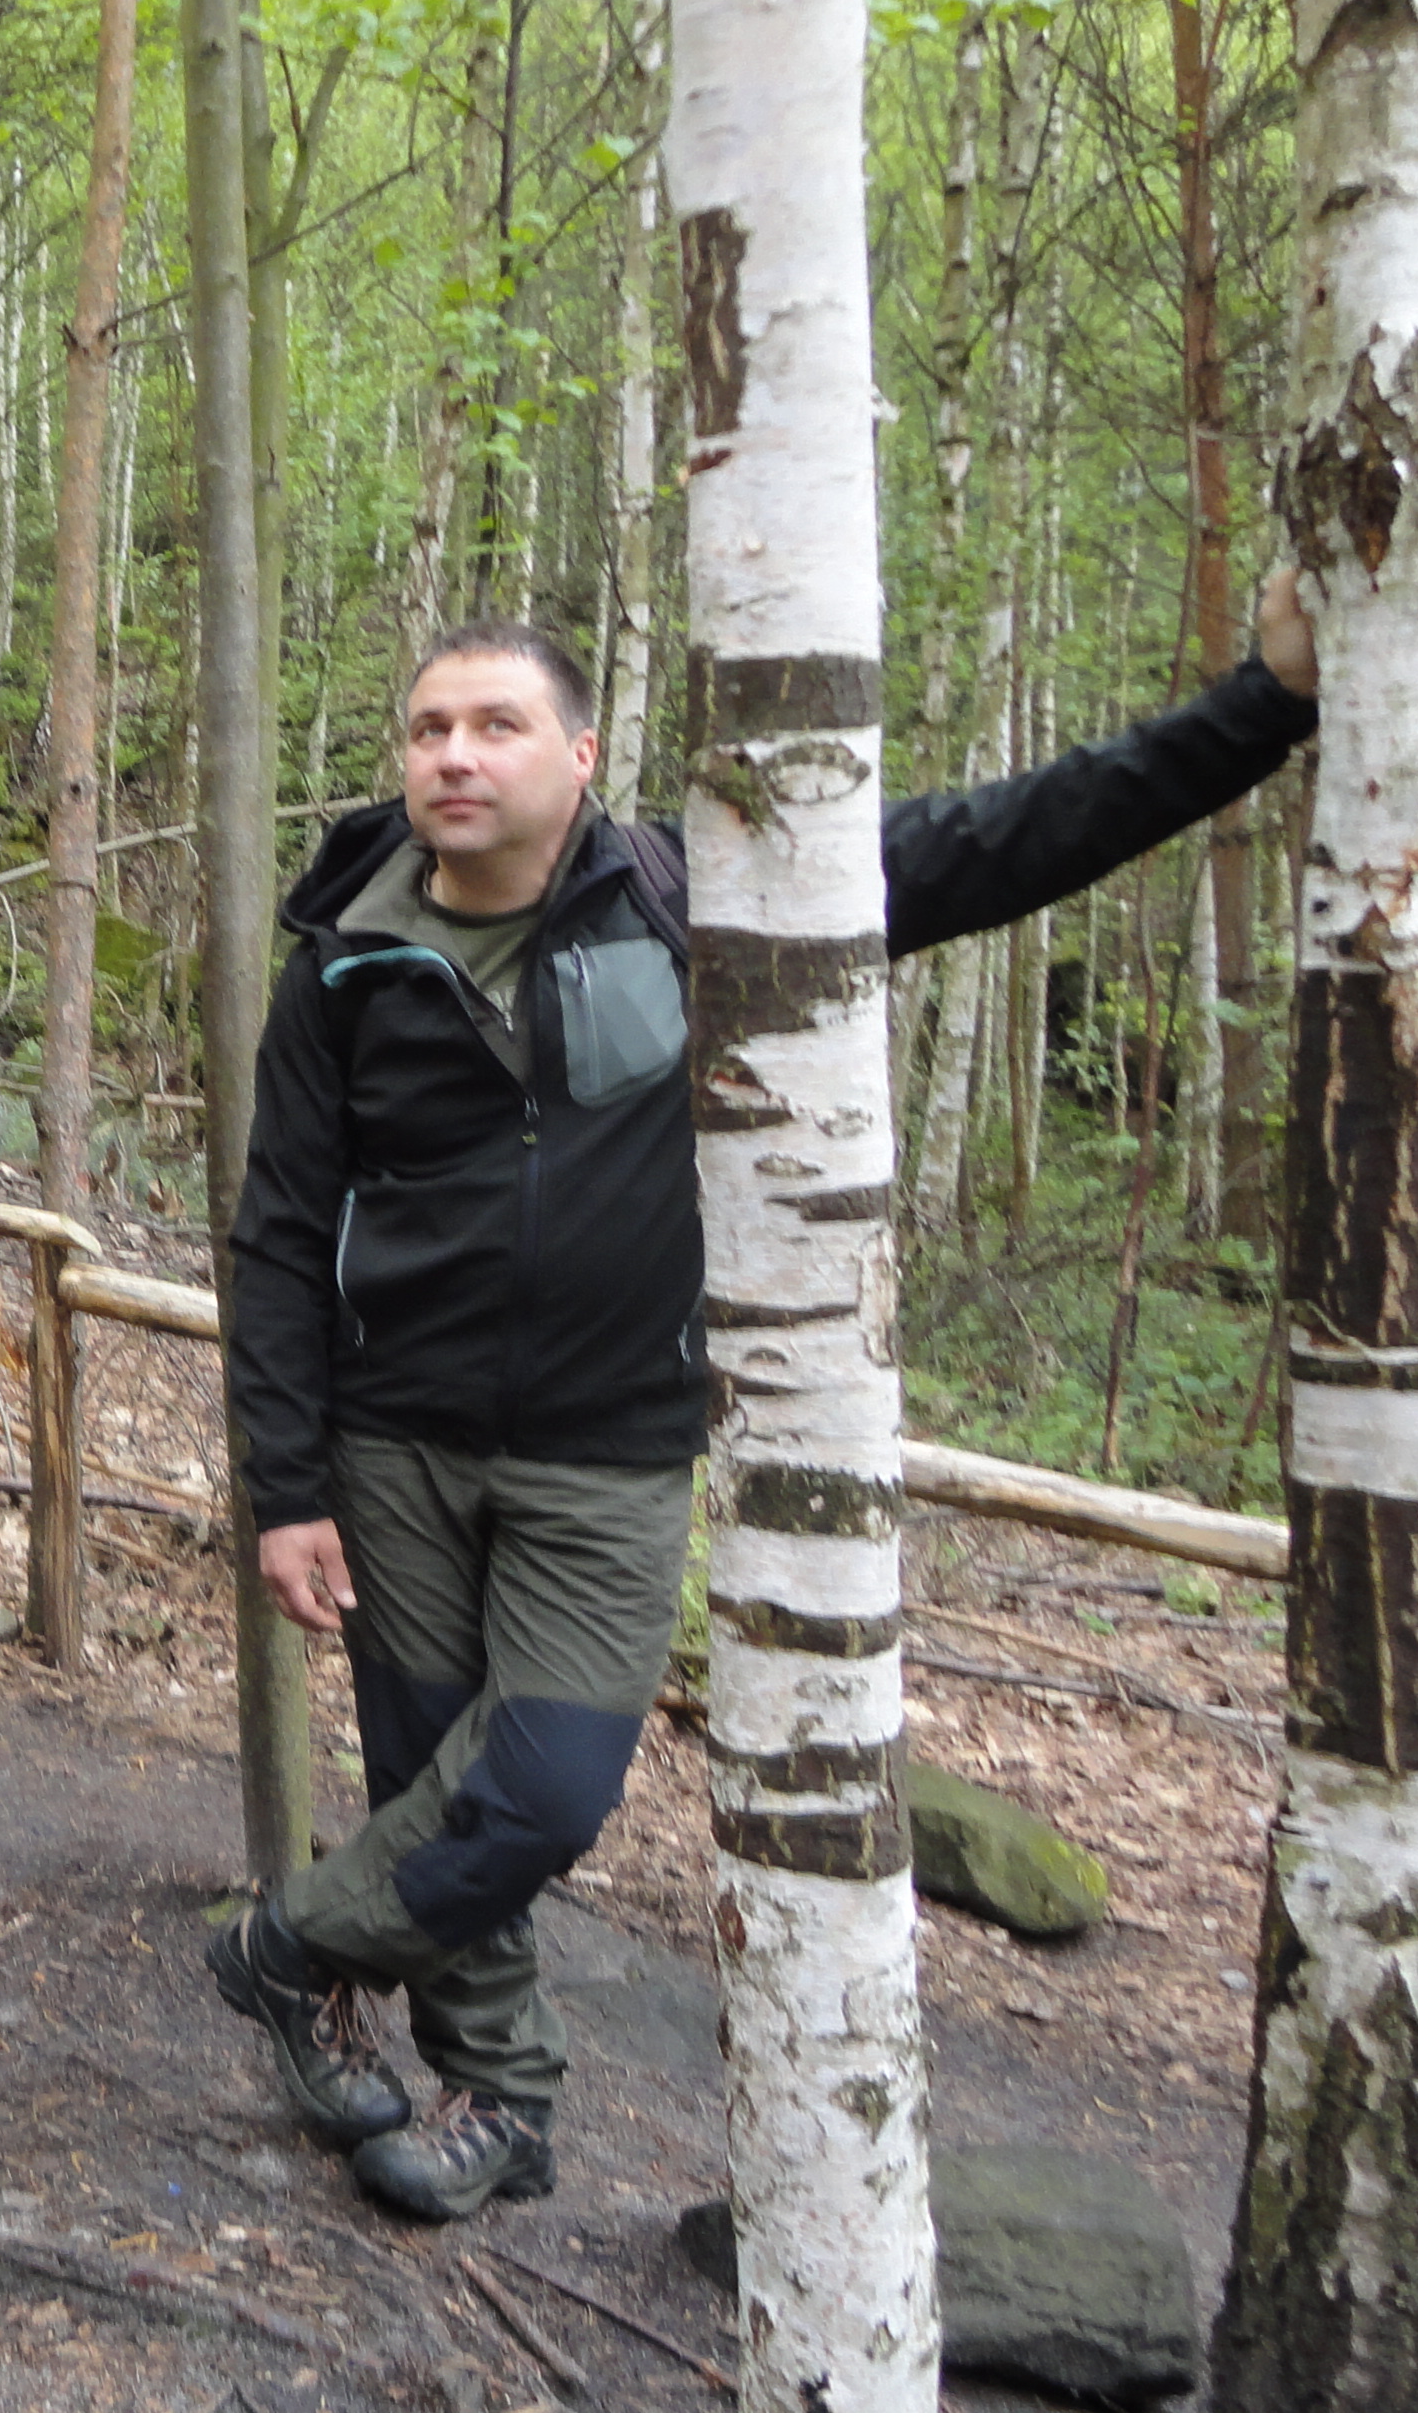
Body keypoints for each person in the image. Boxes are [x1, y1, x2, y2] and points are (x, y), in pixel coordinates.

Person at [211, 587, 1323, 2220]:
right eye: (431, 727)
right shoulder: (344, 961)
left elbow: (1012, 838)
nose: (455, 755)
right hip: (394, 1444)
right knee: (428, 1781)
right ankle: (498, 2094)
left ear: (582, 755)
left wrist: (1267, 704)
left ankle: (283, 1950)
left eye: (498, 725)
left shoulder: (693, 900)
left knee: (539, 1791)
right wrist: (287, 1481)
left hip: (608, 1448)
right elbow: (280, 1232)